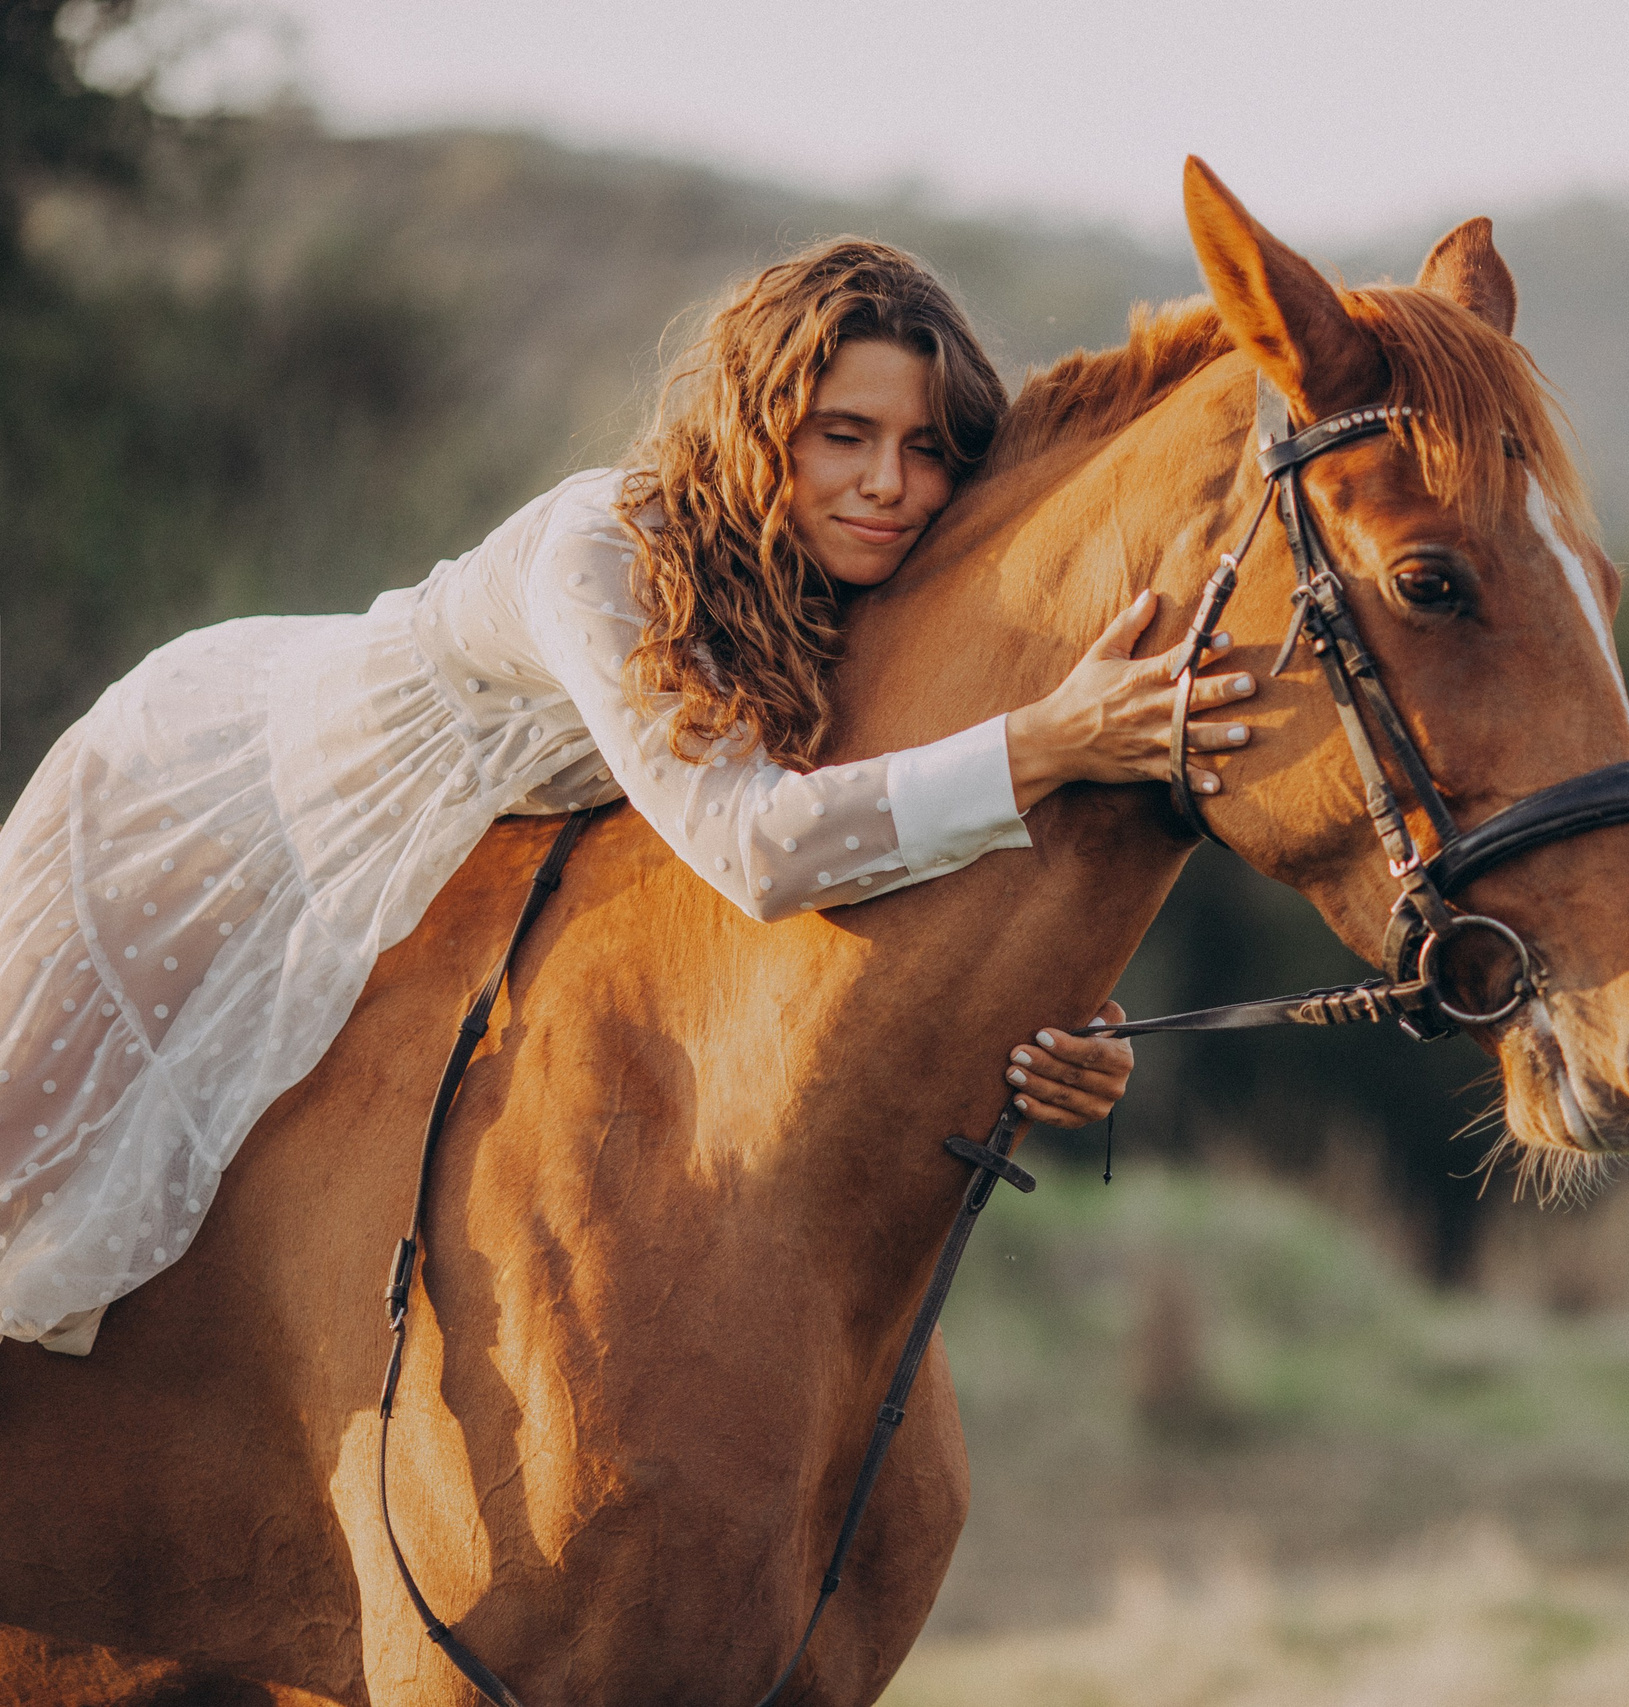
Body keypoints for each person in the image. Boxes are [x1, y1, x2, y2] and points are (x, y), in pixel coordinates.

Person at [0, 237, 1258, 1354]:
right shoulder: (605, 549)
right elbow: (763, 846)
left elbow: (883, 823)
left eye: (928, 450)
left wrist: (1057, 1018)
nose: (889, 483)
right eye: (843, 434)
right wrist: (1045, 740)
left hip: (487, 837)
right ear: (761, 429)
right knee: (30, 1178)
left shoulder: (854, 576)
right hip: (224, 788)